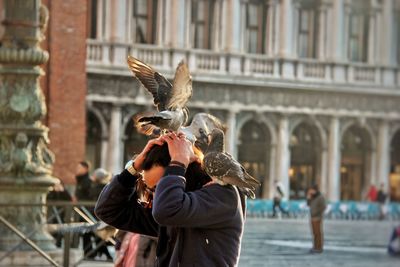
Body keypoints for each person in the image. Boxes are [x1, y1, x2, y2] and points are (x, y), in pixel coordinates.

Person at [95, 132, 246, 266]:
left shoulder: (223, 196)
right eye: (150, 189)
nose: (155, 196)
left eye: (158, 188)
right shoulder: (172, 209)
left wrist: (178, 161)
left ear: (181, 176)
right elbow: (107, 211)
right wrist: (133, 169)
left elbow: (166, 210)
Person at [89, 168, 113, 261]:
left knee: (99, 235)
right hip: (102, 214)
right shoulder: (107, 187)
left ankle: (100, 253)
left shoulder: (94, 188)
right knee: (100, 235)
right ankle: (102, 253)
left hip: (93, 214)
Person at [73, 161, 94, 258]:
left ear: (86, 169)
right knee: (81, 232)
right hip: (79, 210)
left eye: (79, 168)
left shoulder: (88, 181)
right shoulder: (80, 180)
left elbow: (91, 197)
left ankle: (89, 253)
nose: (77, 170)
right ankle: (87, 253)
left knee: (86, 233)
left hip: (86, 211)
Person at [307, 184, 326, 253]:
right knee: (314, 233)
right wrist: (308, 198)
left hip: (317, 217)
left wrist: (317, 213)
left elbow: (323, 206)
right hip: (312, 217)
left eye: (311, 190)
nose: (309, 191)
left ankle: (319, 247)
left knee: (318, 233)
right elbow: (308, 204)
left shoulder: (320, 197)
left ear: (314, 190)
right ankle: (315, 246)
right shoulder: (312, 197)